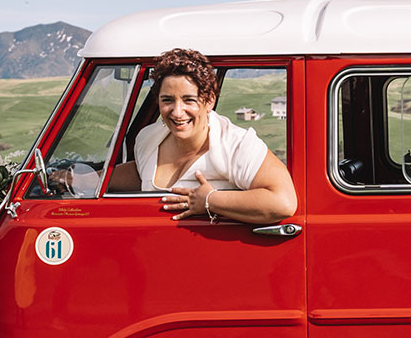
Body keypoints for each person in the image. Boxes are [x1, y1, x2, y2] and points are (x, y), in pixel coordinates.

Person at [106, 47, 297, 225]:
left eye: (189, 100)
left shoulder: (236, 145)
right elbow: (141, 173)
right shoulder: (148, 138)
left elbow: (283, 201)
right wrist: (83, 179)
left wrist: (210, 200)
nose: (177, 112)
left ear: (209, 101)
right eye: (167, 100)